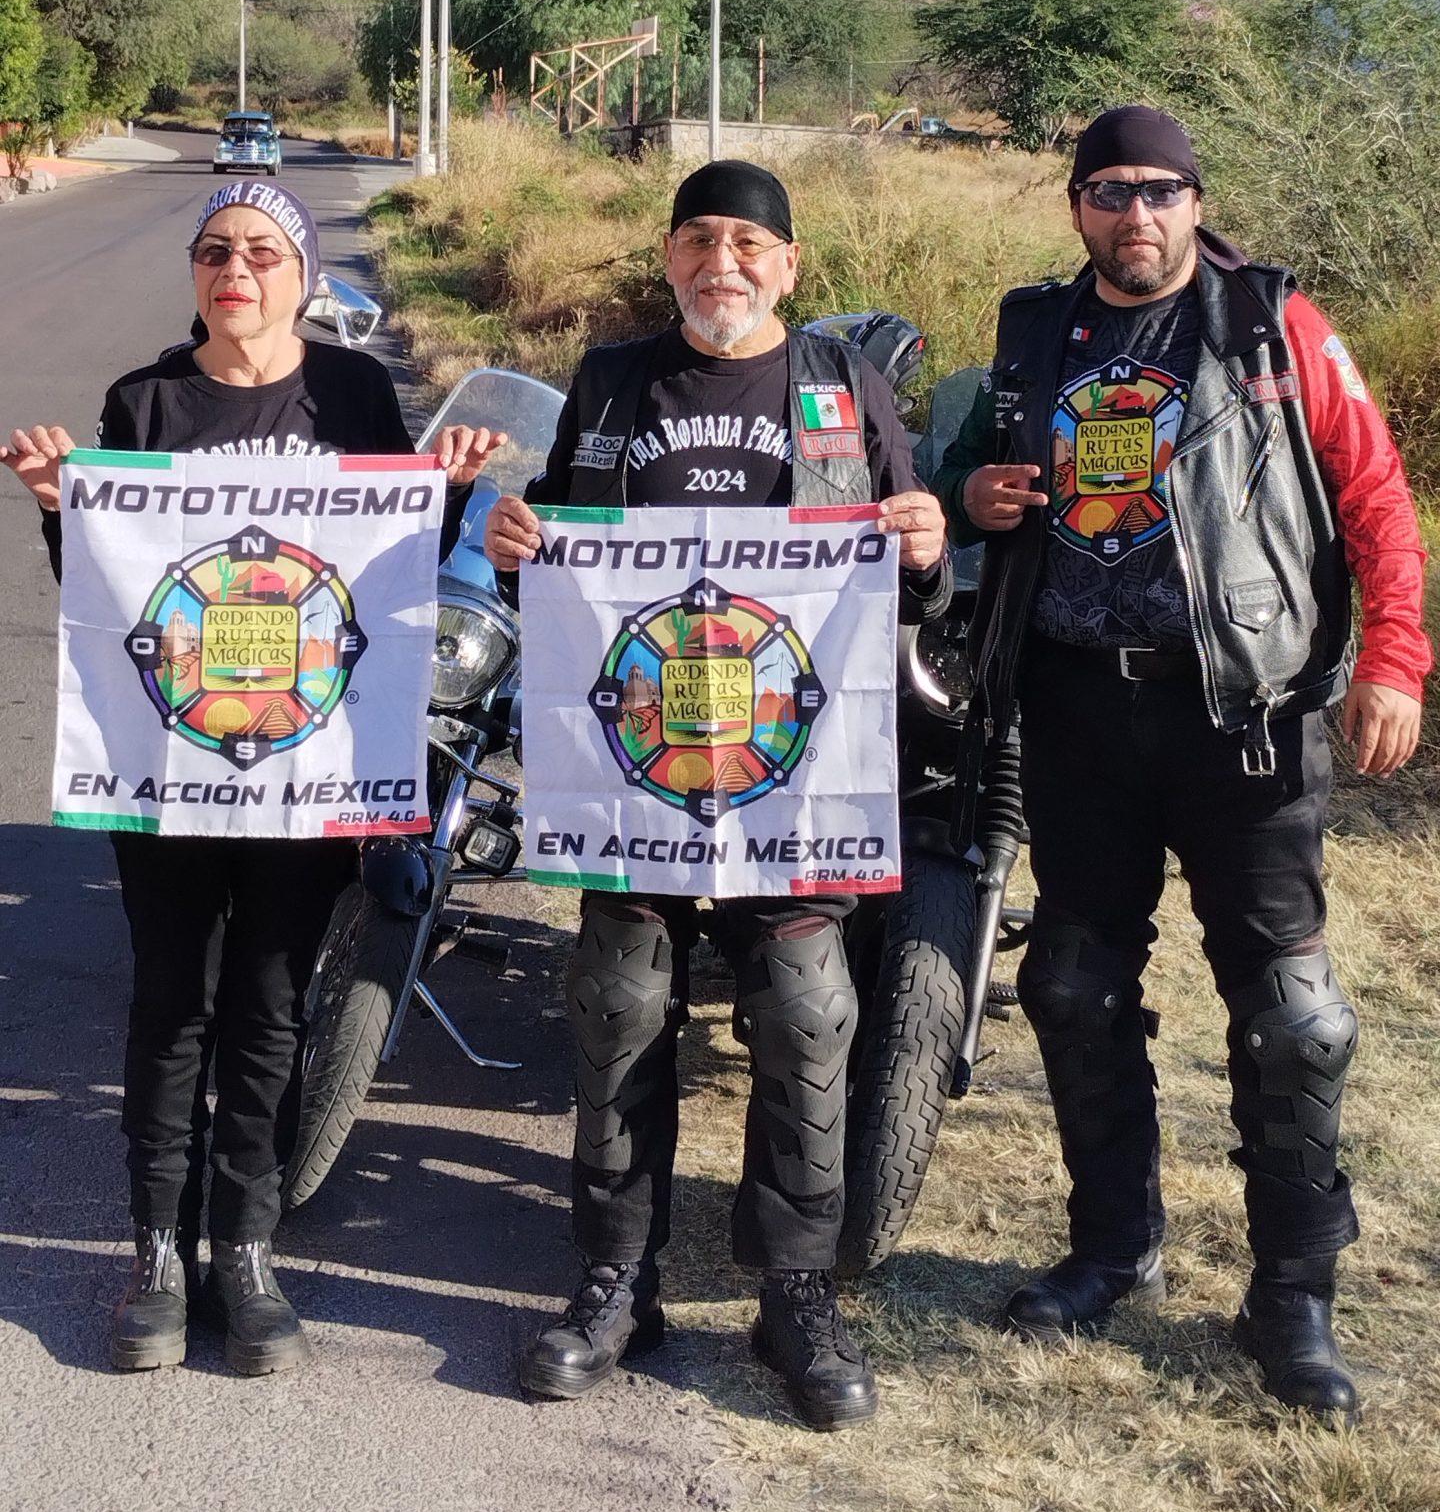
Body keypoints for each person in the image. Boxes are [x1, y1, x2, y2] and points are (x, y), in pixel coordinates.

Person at [934, 105, 1428, 1426]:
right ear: (1077, 205)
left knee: (1290, 1016)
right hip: (1078, 711)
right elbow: (981, 475)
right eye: (1107, 191)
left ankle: (1293, 1297)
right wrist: (982, 492)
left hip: (1245, 715)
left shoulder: (1271, 322)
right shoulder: (1036, 330)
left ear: (1194, 201)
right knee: (1075, 985)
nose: (1133, 215)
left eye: (1158, 191)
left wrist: (1395, 663)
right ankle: (1113, 1246)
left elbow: (1372, 493)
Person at [2, 178, 501, 1378]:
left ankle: (247, 1243)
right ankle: (156, 1249)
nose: (238, 270)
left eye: (263, 253)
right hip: (173, 760)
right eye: (216, 250)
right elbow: (111, 577)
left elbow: (390, 574)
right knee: (172, 998)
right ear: (195, 273)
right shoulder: (147, 397)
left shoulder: (356, 392)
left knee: (273, 1005)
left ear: (304, 273)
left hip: (310, 763)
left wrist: (449, 497)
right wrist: (58, 507)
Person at [485, 160, 950, 1429]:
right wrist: (524, 543)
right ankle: (615, 1275)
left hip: (793, 774)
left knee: (807, 1011)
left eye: (750, 242)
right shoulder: (614, 379)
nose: (722, 263)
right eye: (698, 239)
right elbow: (569, 572)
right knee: (622, 1003)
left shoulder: (837, 388)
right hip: (640, 765)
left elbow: (904, 587)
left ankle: (795, 1291)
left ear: (790, 267)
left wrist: (927, 546)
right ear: (669, 255)